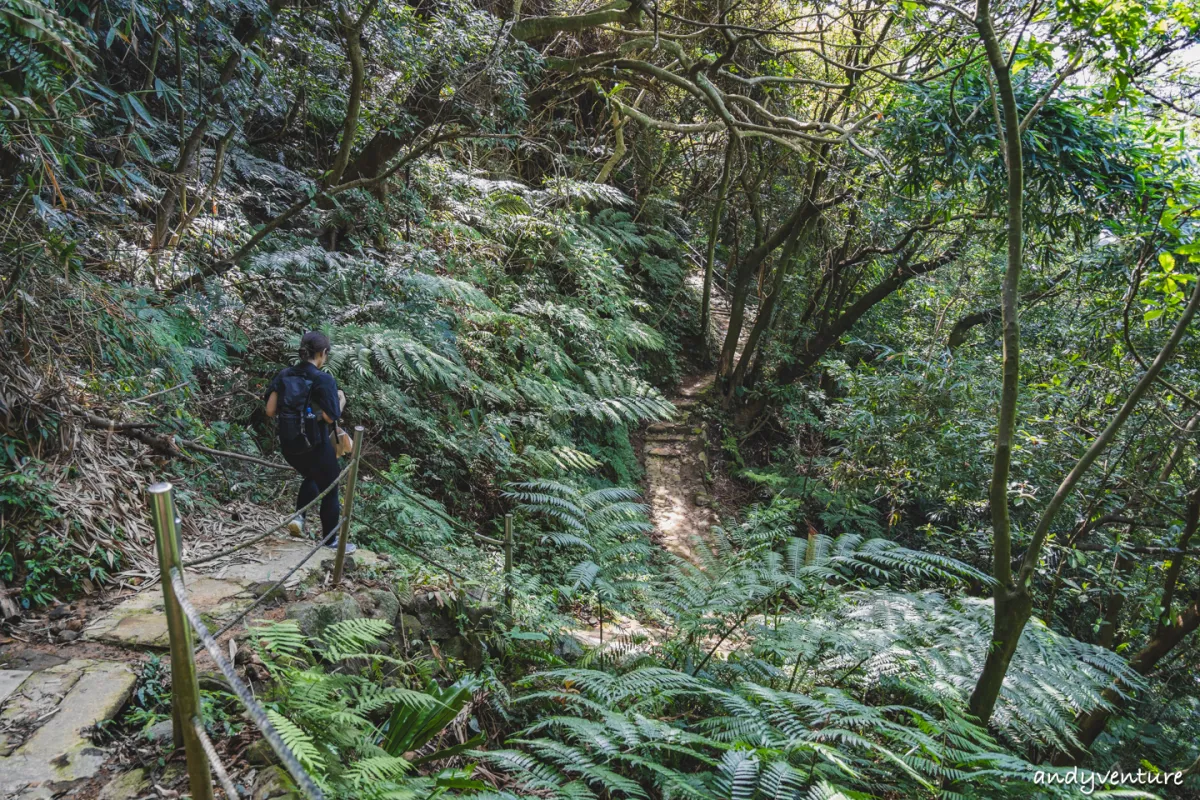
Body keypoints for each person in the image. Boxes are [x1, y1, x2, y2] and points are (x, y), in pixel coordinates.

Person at [264, 331, 355, 553]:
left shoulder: (284, 375)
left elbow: (270, 410)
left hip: (289, 445)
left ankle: (299, 517)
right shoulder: (323, 379)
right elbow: (331, 416)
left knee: (313, 475)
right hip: (315, 443)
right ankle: (330, 541)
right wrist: (340, 400)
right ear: (323, 353)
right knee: (331, 487)